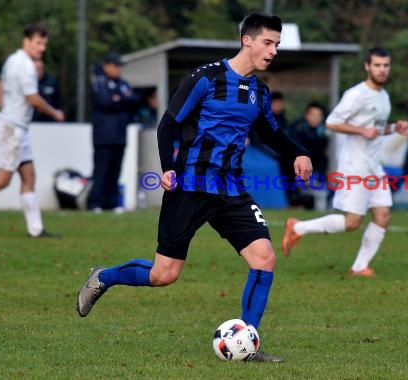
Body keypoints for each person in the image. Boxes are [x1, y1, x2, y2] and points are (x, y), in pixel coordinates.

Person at [76, 12, 312, 363]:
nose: (273, 50)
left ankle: (248, 344)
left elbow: (271, 134)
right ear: (247, 40)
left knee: (265, 258)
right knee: (163, 275)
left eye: (276, 44)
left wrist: (299, 152)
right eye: (268, 42)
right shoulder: (205, 78)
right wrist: (168, 169)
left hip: (231, 190)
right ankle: (105, 277)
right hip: (189, 186)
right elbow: (168, 124)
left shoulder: (259, 93)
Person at [282, 47, 408, 277]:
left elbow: (375, 129)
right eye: (377, 65)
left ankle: (359, 266)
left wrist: (393, 128)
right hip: (355, 165)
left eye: (385, 65)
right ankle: (298, 227)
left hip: (374, 166)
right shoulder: (356, 94)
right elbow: (332, 122)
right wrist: (361, 130)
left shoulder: (383, 97)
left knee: (383, 215)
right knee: (352, 223)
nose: (382, 70)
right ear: (367, 67)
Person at [0, 24, 64, 238]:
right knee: (3, 180)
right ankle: (36, 229)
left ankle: (36, 229)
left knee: (28, 176)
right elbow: (32, 98)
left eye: (44, 44)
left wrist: (5, 109)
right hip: (12, 129)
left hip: (14, 126)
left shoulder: (12, 60)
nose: (42, 48)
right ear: (27, 40)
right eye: (38, 43)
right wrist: (54, 113)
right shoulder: (25, 65)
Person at [87, 51, 140, 213]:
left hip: (119, 135)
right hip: (103, 135)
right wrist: (122, 100)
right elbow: (104, 102)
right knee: (101, 170)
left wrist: (119, 99)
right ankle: (96, 202)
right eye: (116, 65)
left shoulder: (122, 83)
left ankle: (112, 202)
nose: (119, 69)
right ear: (107, 65)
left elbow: (134, 100)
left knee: (116, 171)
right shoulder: (99, 82)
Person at [291, 101, 329, 176]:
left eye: (319, 115)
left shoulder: (322, 132)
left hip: (316, 170)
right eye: (313, 115)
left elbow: (321, 153)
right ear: (306, 115)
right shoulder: (298, 129)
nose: (316, 118)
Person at [31, 58, 63, 122]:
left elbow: (59, 101)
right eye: (37, 70)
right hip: (31, 121)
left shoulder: (51, 82)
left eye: (41, 69)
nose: (39, 72)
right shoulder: (27, 83)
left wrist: (59, 113)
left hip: (50, 122)